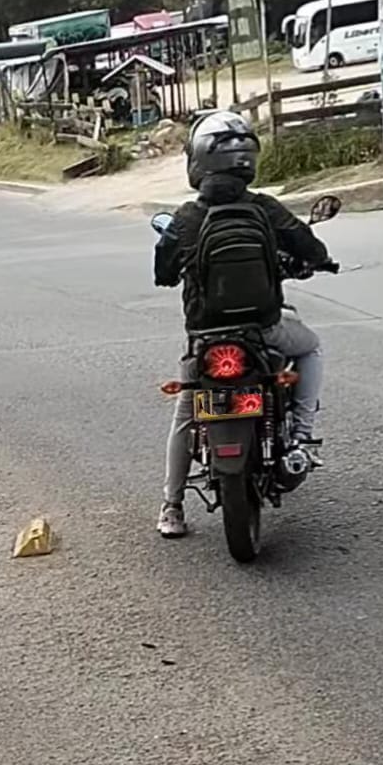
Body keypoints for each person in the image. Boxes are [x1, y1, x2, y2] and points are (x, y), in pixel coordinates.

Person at [153, 111, 333, 539]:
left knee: (187, 408)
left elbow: (162, 272)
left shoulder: (186, 217)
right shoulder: (264, 208)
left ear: (197, 161)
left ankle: (172, 506)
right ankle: (303, 438)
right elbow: (311, 247)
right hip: (264, 330)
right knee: (309, 348)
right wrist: (318, 261)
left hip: (205, 340)